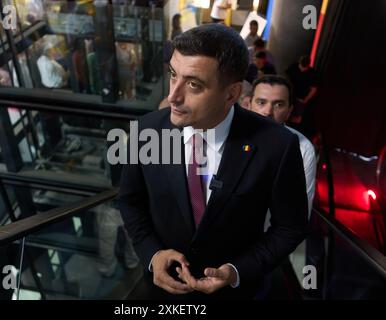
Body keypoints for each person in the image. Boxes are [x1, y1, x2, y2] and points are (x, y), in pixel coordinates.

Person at [118, 24, 308, 299]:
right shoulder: (146, 131)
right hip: (164, 291)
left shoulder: (277, 145)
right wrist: (153, 254)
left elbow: (290, 227)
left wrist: (237, 270)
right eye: (173, 75)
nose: (173, 95)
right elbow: (129, 201)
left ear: (231, 94)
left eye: (193, 84)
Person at [249, 75, 316, 218]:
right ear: (249, 105)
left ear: (289, 111)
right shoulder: (228, 136)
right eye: (261, 102)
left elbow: (299, 214)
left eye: (278, 105)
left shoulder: (303, 148)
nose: (268, 112)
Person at [285, 55, 318, 131]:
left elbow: (314, 89)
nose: (302, 69)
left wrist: (305, 100)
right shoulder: (293, 67)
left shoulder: (312, 73)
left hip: (300, 99)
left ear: (308, 66)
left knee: (296, 119)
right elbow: (285, 79)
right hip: (289, 96)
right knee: (285, 115)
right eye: (301, 67)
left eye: (304, 68)